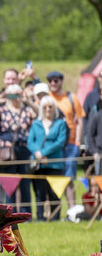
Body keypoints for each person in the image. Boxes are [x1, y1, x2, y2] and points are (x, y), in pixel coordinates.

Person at [0, 84, 35, 215]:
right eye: (12, 95)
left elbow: (38, 113)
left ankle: (26, 214)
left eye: (17, 94)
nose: (15, 98)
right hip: (7, 151)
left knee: (25, 184)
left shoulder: (26, 110)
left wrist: (27, 100)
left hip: (24, 149)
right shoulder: (2, 110)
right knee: (9, 184)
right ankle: (10, 213)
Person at [47, 70, 85, 212]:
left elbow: (80, 120)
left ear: (61, 81)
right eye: (50, 81)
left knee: (69, 178)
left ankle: (72, 211)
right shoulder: (47, 98)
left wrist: (78, 143)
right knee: (53, 178)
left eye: (56, 80)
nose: (53, 83)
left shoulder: (71, 97)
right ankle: (53, 213)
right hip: (53, 145)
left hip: (70, 144)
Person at [27, 96, 68, 221]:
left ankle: (55, 218)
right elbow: (30, 141)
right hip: (39, 164)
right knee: (39, 193)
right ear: (41, 109)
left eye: (50, 106)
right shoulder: (36, 124)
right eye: (45, 107)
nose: (48, 109)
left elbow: (60, 142)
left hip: (55, 164)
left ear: (54, 108)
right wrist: (37, 153)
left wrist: (43, 152)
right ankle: (40, 218)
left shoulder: (60, 123)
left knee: (54, 193)